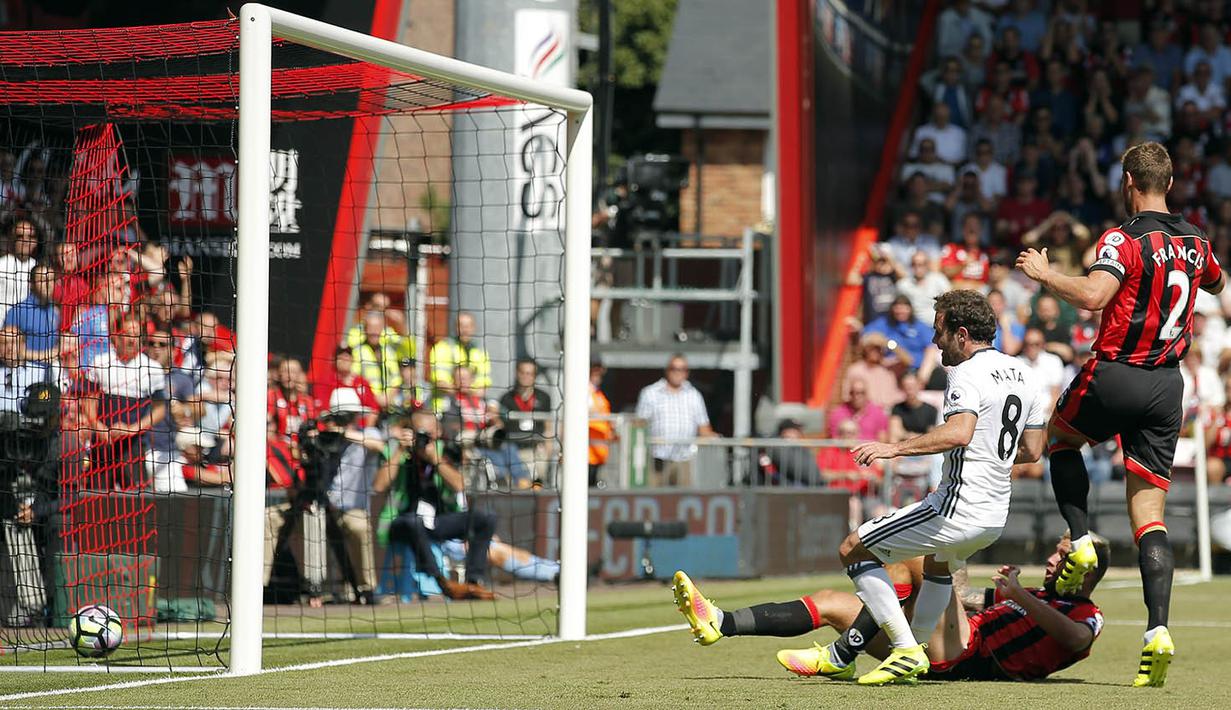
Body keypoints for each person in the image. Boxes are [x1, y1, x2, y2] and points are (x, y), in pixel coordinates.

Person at [1016, 141, 1226, 687]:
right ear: (1170, 183)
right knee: (1149, 517)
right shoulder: (1197, 240)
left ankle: (1082, 539)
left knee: (1061, 440)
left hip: (1117, 372)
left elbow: (1093, 295)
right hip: (1167, 386)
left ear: (1128, 181)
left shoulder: (1123, 237)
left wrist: (1044, 274)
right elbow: (1218, 284)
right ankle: (1158, 632)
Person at [813, 290, 1047, 685]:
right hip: (994, 516)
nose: (935, 341)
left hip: (958, 508)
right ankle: (917, 652)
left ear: (961, 334)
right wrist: (992, 456)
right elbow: (1034, 450)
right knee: (938, 564)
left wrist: (894, 448)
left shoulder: (966, 373)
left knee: (853, 549)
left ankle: (904, 648)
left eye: (939, 331)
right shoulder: (1025, 373)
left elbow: (959, 432)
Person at [671, 534, 1109, 683]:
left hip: (969, 656)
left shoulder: (1087, 614)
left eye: (1061, 555)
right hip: (947, 638)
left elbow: (1075, 640)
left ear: (1087, 570)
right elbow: (965, 600)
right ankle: (721, 623)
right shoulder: (1033, 594)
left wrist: (1019, 595)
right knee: (830, 602)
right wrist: (961, 570)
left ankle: (843, 655)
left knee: (918, 555)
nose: (1051, 560)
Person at [375, 406, 495, 600]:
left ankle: (473, 582)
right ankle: (442, 582)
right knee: (413, 521)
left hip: (437, 521)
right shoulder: (396, 450)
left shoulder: (445, 451)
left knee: (485, 518)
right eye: (418, 434)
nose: (422, 439)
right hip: (401, 521)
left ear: (437, 432)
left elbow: (459, 485)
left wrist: (435, 459)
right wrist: (399, 451)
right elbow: (379, 486)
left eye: (427, 435)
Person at [635, 354, 716, 487]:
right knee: (653, 497)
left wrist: (717, 438)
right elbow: (639, 425)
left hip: (684, 458)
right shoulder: (650, 393)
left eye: (682, 369)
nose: (678, 372)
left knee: (684, 498)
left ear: (687, 372)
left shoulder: (694, 395)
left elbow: (704, 428)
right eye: (674, 368)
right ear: (667, 370)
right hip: (657, 459)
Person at [497, 358, 553, 484]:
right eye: (522, 372)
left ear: (534, 376)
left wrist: (548, 450)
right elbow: (500, 426)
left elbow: (548, 427)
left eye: (529, 373)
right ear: (517, 373)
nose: (525, 376)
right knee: (515, 484)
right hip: (513, 450)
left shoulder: (543, 398)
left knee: (537, 483)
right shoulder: (506, 399)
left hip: (535, 449)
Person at [429, 312, 492, 407]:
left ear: (473, 328)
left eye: (468, 326)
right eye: (461, 326)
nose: (465, 330)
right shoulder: (442, 348)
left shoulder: (480, 351)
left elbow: (483, 388)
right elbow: (440, 383)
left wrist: (464, 392)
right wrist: (464, 392)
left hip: (471, 408)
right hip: (443, 407)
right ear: (455, 328)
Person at [3, 263, 58, 363]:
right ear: (31, 283)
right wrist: (43, 356)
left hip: (51, 369)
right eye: (42, 280)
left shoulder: (54, 310)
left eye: (51, 279)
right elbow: (5, 348)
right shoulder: (18, 311)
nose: (48, 284)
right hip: (24, 369)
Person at [760, 419, 822, 487]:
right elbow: (799, 470)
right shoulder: (777, 448)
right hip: (788, 488)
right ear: (784, 431)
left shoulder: (800, 448)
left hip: (803, 486)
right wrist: (818, 479)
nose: (799, 433)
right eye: (796, 430)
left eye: (799, 430)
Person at [587, 353, 613, 487]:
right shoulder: (583, 391)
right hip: (586, 455)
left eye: (599, 368)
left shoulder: (599, 393)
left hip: (599, 455)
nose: (597, 372)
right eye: (593, 368)